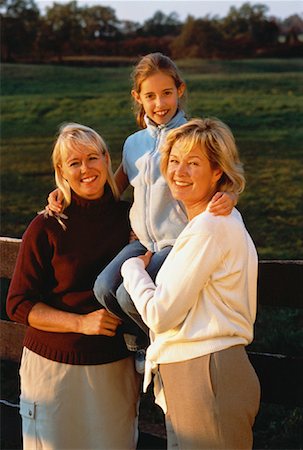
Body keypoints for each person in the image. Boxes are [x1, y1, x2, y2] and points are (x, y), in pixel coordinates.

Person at [46, 53, 236, 362]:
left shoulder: (190, 137)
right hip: (142, 241)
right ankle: (147, 338)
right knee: (105, 288)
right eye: (150, 96)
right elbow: (113, 187)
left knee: (127, 294)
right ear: (138, 98)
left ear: (180, 90)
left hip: (178, 240)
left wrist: (230, 196)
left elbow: (223, 176)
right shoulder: (133, 143)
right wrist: (64, 193)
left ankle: (155, 346)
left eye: (167, 93)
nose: (160, 103)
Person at [121, 117, 261, 450]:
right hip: (196, 373)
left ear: (218, 172)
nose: (179, 171)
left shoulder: (210, 228)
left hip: (208, 374)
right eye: (174, 161)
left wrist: (131, 270)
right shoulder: (208, 224)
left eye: (193, 163)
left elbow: (160, 314)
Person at [6, 123, 140, 450]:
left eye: (92, 158)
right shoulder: (47, 226)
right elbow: (18, 304)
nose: (85, 169)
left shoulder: (132, 219)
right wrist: (80, 322)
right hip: (53, 369)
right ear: (60, 171)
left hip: (113, 366)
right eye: (74, 162)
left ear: (107, 159)